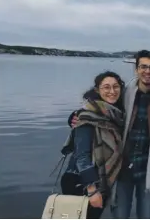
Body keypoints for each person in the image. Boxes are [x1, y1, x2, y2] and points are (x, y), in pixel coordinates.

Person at [70, 50, 150, 219]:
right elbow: (98, 108)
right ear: (136, 69)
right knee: (120, 214)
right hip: (121, 168)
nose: (148, 71)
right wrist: (73, 117)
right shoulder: (124, 94)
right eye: (143, 66)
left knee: (146, 215)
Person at [60, 71, 125, 219]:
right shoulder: (86, 116)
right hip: (81, 182)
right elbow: (81, 155)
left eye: (116, 87)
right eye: (106, 87)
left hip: (102, 180)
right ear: (97, 90)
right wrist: (92, 190)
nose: (112, 91)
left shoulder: (115, 114)